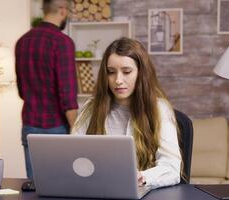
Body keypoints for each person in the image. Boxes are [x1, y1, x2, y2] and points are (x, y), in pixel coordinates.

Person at [71, 37, 182, 189]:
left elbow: (171, 168)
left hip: (141, 191)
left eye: (127, 71)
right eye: (111, 72)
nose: (118, 80)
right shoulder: (91, 107)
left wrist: (142, 177)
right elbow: (72, 155)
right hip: (98, 189)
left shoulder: (159, 109)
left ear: (141, 73)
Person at [15, 0, 78, 189]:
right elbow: (67, 97)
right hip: (56, 128)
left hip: (29, 125)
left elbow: (21, 90)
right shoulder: (63, 42)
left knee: (37, 189)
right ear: (62, 10)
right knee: (62, 188)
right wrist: (78, 132)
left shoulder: (22, 42)